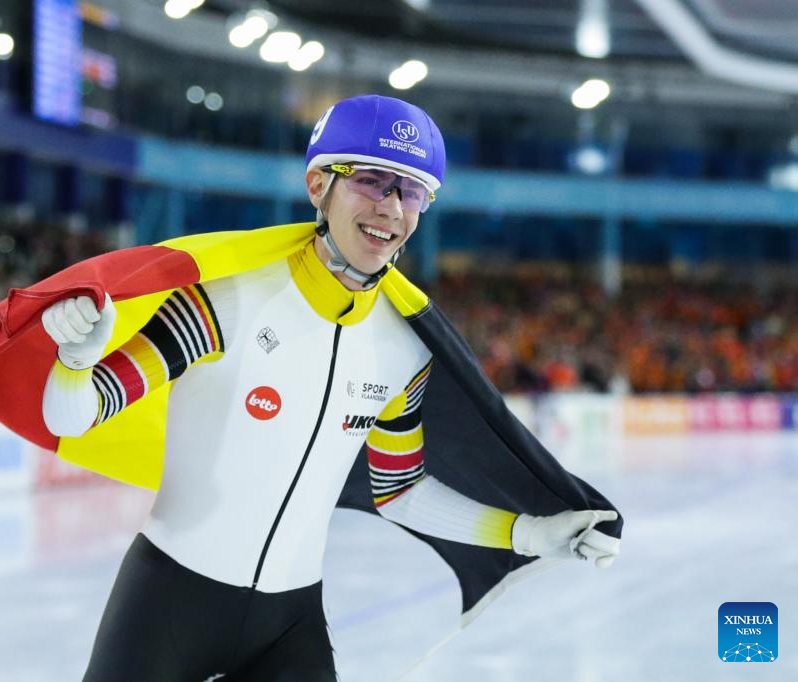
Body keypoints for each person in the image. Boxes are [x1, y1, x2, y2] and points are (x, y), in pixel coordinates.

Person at [35, 95, 620, 681]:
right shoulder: (225, 301)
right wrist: (77, 361)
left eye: (412, 192)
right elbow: (74, 416)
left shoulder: (405, 345)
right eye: (371, 181)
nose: (391, 207)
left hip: (289, 625)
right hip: (168, 602)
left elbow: (400, 490)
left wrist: (531, 534)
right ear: (318, 185)